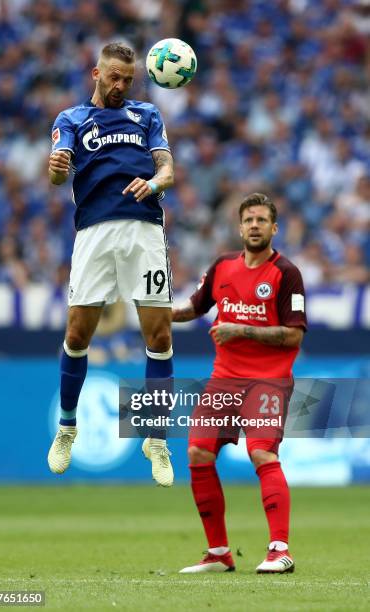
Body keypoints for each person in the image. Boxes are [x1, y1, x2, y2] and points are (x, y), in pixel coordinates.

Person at [47, 42, 175, 487]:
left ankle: (155, 438)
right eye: (114, 77)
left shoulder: (147, 116)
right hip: (94, 234)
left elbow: (168, 171)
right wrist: (58, 167)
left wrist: (155, 183)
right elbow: (58, 175)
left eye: (128, 78)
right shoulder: (71, 120)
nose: (121, 85)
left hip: (144, 230)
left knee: (159, 336)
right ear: (96, 74)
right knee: (77, 334)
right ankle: (67, 428)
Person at [172, 193, 307, 573]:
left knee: (262, 453)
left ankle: (280, 550)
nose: (254, 226)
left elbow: (294, 336)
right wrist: (158, 315)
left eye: (262, 220)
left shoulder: (287, 274)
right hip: (223, 381)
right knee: (198, 453)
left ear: (274, 228)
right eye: (248, 220)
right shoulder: (222, 267)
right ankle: (218, 553)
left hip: (268, 381)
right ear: (239, 226)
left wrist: (241, 329)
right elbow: (194, 308)